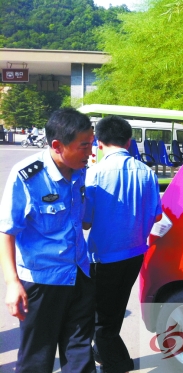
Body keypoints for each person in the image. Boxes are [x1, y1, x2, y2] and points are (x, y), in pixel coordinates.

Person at [0, 108, 95, 373]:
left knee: (80, 356)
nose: (90, 151)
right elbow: (7, 231)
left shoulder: (81, 172)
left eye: (92, 143)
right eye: (84, 146)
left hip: (79, 274)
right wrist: (11, 283)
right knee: (36, 361)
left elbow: (83, 220)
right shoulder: (27, 176)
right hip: (42, 283)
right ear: (57, 145)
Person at [83, 115, 162, 373]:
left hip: (104, 257)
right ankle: (106, 356)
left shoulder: (94, 174)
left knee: (99, 319)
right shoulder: (147, 173)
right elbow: (156, 215)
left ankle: (117, 364)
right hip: (135, 253)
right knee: (115, 309)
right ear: (129, 142)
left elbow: (85, 222)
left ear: (99, 142)